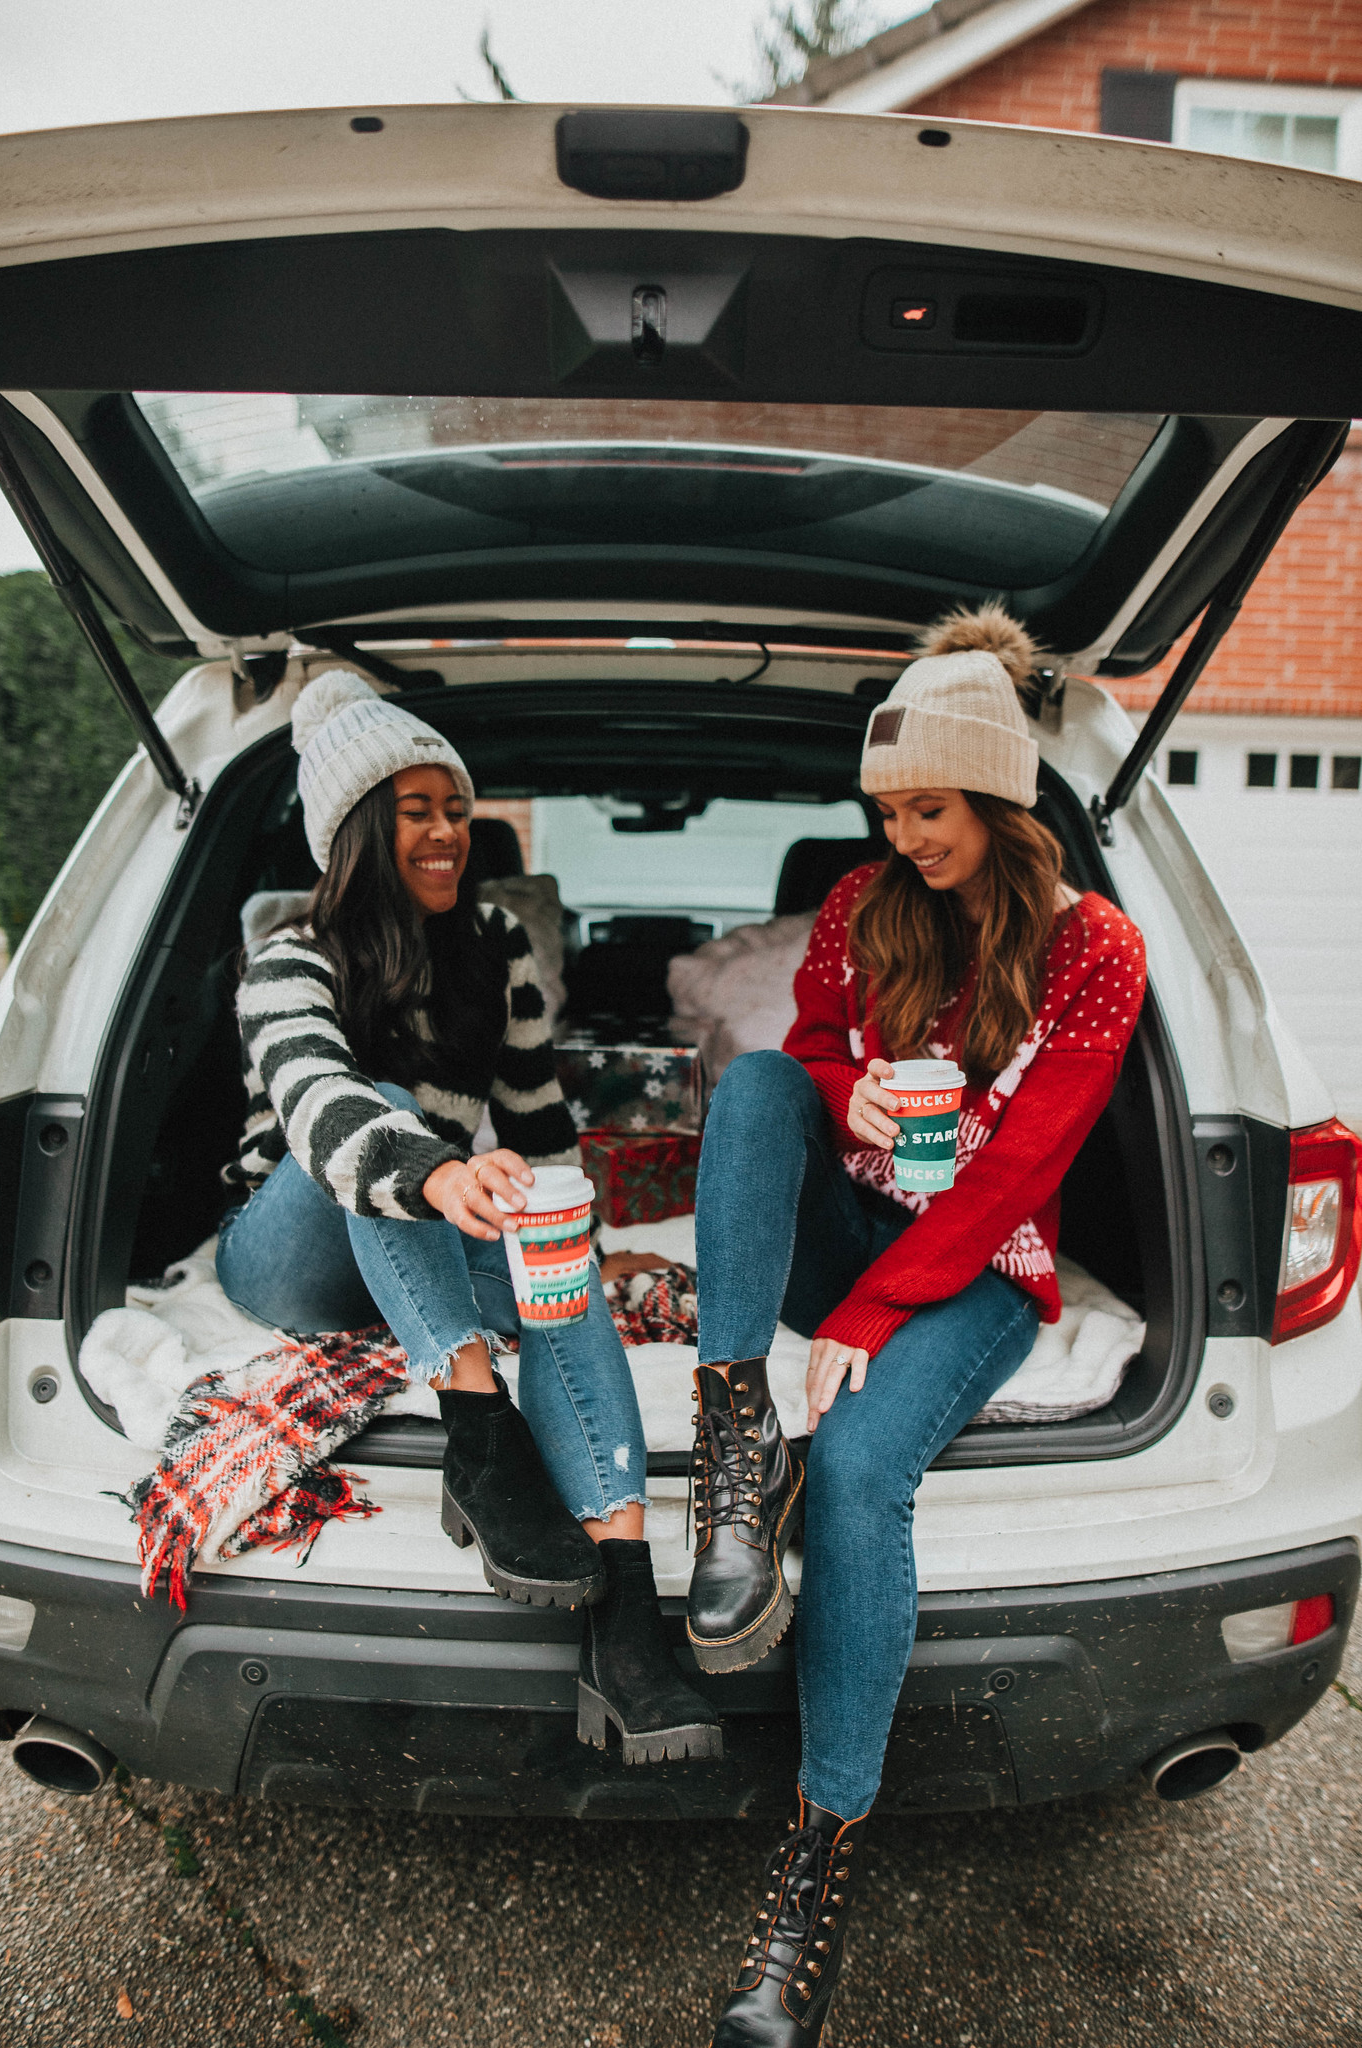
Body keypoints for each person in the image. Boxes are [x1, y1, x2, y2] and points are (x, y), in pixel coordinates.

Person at [689, 606, 1146, 2045]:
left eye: (928, 809)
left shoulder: (1096, 953)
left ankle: (812, 1871)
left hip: (983, 1264)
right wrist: (847, 1096)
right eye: (884, 809)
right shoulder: (855, 905)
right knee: (758, 1086)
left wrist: (876, 1311)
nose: (902, 837)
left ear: (1000, 798)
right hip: (859, 1226)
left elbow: (1019, 1174)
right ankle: (726, 1456)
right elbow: (813, 1049)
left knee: (869, 1469)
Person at [215, 667, 720, 1767]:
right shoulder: (287, 959)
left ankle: (626, 1616)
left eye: (456, 806)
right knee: (388, 1123)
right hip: (290, 1246)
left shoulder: (496, 945)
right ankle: (475, 1430)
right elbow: (322, 1103)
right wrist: (441, 1173)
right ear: (353, 828)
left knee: (558, 1264)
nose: (448, 830)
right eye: (417, 810)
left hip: (428, 1228)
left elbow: (535, 1128)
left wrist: (574, 1235)